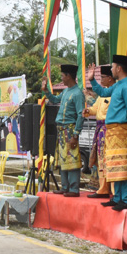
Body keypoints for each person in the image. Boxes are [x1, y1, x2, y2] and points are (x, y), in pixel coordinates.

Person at [87, 57, 127, 209]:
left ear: (118, 69)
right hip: (112, 131)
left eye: (113, 67)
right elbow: (102, 92)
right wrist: (92, 80)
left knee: (123, 164)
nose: (110, 69)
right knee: (114, 164)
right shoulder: (118, 86)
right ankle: (117, 198)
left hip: (121, 129)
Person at [41, 64, 85, 197]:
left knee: (72, 160)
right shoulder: (66, 91)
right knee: (63, 160)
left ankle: (74, 189)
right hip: (61, 130)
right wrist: (46, 90)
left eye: (62, 76)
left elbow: (81, 115)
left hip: (70, 130)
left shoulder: (77, 93)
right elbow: (54, 100)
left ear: (68, 76)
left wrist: (76, 135)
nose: (61, 78)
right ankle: (65, 187)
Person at [83, 65, 115, 199]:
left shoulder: (114, 93)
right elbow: (96, 108)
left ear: (110, 78)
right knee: (101, 160)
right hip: (100, 130)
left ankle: (113, 191)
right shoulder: (103, 94)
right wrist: (89, 111)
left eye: (102, 77)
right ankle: (102, 188)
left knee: (110, 160)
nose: (100, 79)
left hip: (109, 130)